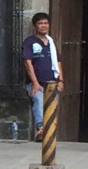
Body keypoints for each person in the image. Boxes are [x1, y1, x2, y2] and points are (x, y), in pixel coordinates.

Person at [21, 12, 63, 142]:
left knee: (52, 106)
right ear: (35, 26)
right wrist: (34, 82)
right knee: (39, 102)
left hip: (51, 82)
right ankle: (41, 130)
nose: (43, 26)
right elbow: (27, 62)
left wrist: (61, 79)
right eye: (40, 23)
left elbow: (58, 62)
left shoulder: (51, 42)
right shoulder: (30, 42)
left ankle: (50, 131)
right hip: (37, 83)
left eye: (45, 23)